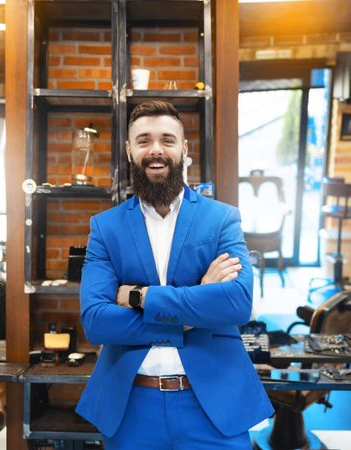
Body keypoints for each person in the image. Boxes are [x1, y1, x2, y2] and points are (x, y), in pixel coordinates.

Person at [76, 100, 273, 449]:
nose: (156, 150)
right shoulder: (105, 228)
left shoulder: (222, 218)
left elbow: (237, 303)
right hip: (132, 407)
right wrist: (196, 303)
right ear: (129, 150)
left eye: (167, 140)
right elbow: (96, 322)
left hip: (212, 406)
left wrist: (138, 297)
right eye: (144, 140)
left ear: (184, 149)